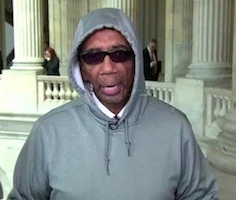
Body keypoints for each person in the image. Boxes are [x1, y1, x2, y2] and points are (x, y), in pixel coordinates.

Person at [8, 8, 218, 199]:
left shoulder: (176, 127)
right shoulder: (48, 132)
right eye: (94, 57)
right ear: (80, 69)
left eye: (120, 54)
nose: (108, 68)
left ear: (135, 61)